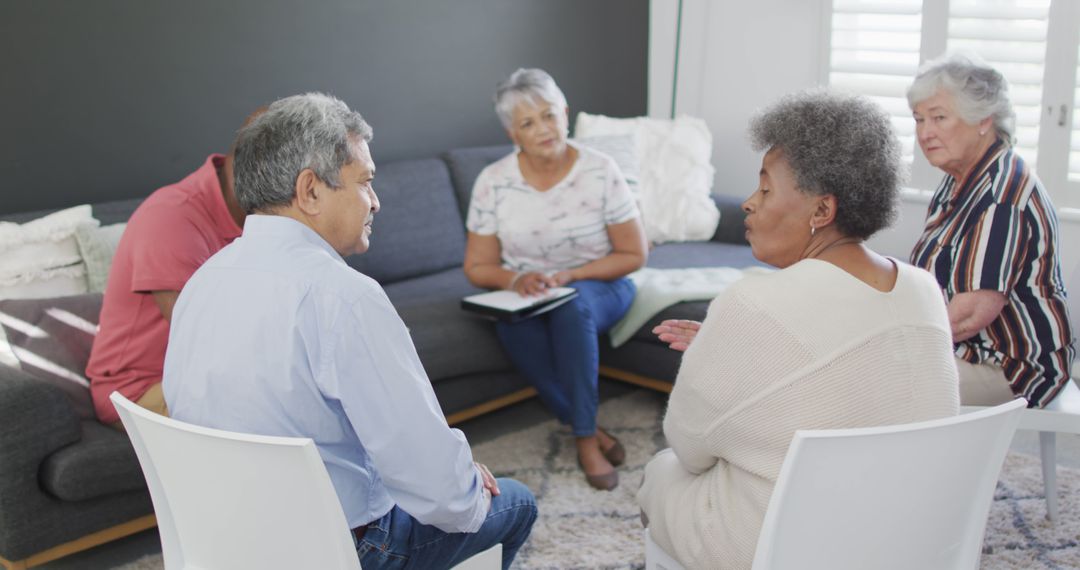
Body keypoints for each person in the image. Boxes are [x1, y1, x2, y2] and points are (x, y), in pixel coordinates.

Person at [162, 93, 537, 569]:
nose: (376, 202)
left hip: (229, 541)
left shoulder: (204, 279)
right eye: (365, 182)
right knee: (516, 501)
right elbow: (436, 486)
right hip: (336, 550)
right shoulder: (342, 296)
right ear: (310, 190)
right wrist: (464, 486)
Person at [638, 90, 961, 569]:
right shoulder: (923, 288)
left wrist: (718, 354)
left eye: (766, 189)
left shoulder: (751, 301)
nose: (748, 203)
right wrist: (725, 349)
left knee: (660, 472)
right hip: (907, 535)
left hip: (790, 545)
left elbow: (689, 447)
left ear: (821, 211)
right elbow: (845, 371)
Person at [463, 68, 648, 491]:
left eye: (548, 115)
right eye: (528, 123)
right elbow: (477, 267)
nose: (543, 129)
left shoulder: (602, 170)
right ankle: (590, 425)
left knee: (573, 306)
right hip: (532, 295)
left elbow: (633, 254)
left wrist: (571, 274)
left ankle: (584, 439)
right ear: (513, 133)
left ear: (565, 113)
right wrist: (516, 279)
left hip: (602, 284)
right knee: (512, 329)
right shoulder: (493, 181)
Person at [908, 52, 1075, 408]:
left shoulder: (1001, 195)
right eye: (919, 119)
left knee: (875, 383)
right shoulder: (961, 179)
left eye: (939, 118)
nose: (925, 133)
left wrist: (893, 337)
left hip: (1011, 367)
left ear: (983, 119)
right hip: (969, 350)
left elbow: (969, 316)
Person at [86, 112, 254, 426]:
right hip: (139, 387)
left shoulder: (266, 217)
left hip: (200, 374)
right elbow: (203, 342)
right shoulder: (171, 217)